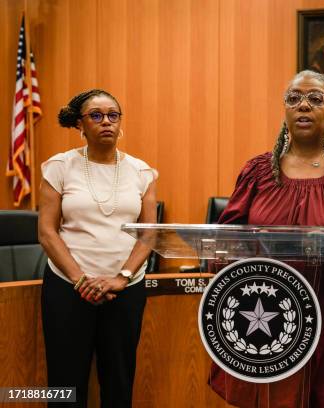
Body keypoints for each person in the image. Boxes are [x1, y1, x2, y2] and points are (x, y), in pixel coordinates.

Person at [209, 70, 324, 407]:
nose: (303, 106)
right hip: (266, 315)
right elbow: (226, 240)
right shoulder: (257, 173)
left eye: (315, 99)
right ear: (285, 111)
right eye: (294, 99)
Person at [38, 89, 158, 407]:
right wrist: (80, 279)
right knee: (65, 385)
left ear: (120, 123)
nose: (106, 121)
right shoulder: (59, 167)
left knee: (119, 382)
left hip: (124, 289)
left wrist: (122, 276)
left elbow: (148, 235)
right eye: (96, 115)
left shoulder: (142, 172)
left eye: (113, 115)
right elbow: (47, 233)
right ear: (81, 124)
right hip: (68, 287)